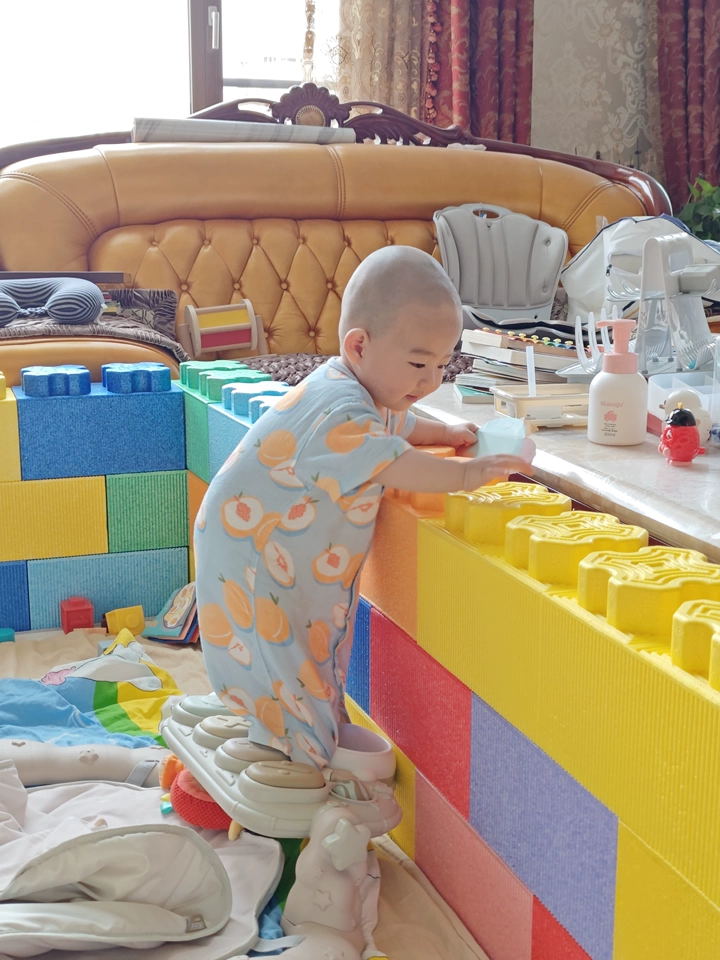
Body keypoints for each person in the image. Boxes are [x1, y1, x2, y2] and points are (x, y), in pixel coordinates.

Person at [194, 246, 533, 767]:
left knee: (308, 666)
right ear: (358, 345)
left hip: (267, 555)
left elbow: (398, 425)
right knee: (290, 680)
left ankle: (287, 744)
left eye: (444, 364)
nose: (431, 381)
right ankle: (299, 779)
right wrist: (467, 474)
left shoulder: (359, 392)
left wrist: (443, 430)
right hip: (253, 567)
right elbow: (396, 462)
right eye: (419, 363)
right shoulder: (338, 414)